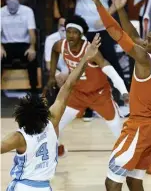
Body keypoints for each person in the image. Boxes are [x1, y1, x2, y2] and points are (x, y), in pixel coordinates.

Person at [88, 0, 151, 190]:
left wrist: (99, 3)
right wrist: (121, 10)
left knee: (111, 181)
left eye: (150, 39)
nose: (144, 40)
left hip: (139, 126)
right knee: (134, 181)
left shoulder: (144, 59)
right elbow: (133, 36)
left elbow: (115, 31)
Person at [1, 34, 101, 191]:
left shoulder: (18, 138)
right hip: (44, 187)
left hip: (22, 186)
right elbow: (68, 85)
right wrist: (85, 58)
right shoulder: (52, 123)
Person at [46, 15, 129, 157]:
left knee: (117, 128)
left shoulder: (91, 51)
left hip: (99, 94)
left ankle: (130, 155)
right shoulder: (61, 45)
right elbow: (54, 52)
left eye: (75, 32)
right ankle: (58, 148)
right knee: (53, 122)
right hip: (77, 94)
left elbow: (109, 69)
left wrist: (123, 91)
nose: (71, 35)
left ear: (81, 34)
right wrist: (52, 75)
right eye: (68, 31)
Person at [62, 0, 126, 120]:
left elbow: (117, 1)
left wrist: (106, 16)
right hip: (81, 31)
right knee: (84, 68)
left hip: (102, 29)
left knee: (111, 62)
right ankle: (86, 108)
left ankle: (121, 101)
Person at [1, 0, 38, 93]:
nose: (12, 0)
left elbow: (32, 32)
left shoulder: (27, 11)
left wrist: (32, 47)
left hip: (24, 44)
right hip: (6, 45)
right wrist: (0, 48)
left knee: (32, 58)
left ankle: (34, 91)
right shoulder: (1, 12)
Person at [44, 17, 69, 88]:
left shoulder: (81, 38)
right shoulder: (50, 39)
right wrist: (57, 74)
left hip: (73, 69)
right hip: (56, 69)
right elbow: (48, 64)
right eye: (61, 25)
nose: (63, 28)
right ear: (57, 26)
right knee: (58, 79)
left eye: (66, 26)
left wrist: (68, 73)